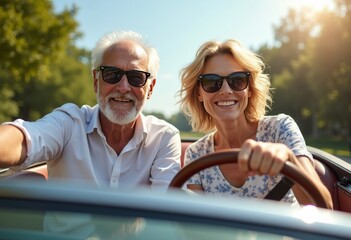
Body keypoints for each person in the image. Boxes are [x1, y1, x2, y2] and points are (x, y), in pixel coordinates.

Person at [0, 30, 181, 191]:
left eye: (136, 77)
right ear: (96, 81)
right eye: (111, 74)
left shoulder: (164, 137)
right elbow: (23, 139)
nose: (123, 87)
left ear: (150, 88)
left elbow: (168, 204)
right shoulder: (68, 124)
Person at [177, 39, 332, 208]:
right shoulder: (196, 154)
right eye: (211, 82)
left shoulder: (280, 129)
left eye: (237, 80)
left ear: (249, 89)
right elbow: (198, 229)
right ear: (199, 93)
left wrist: (289, 159)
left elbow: (324, 207)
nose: (226, 90)